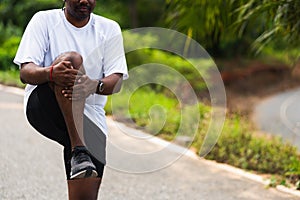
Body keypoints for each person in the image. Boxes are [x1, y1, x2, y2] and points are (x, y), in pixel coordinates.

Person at [13, 0, 128, 199]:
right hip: (45, 104)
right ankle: (79, 150)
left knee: (84, 196)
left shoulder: (109, 29)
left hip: (90, 117)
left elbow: (115, 81)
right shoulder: (44, 20)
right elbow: (26, 72)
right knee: (71, 60)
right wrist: (51, 73)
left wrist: (93, 85)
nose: (84, 1)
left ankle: (80, 152)